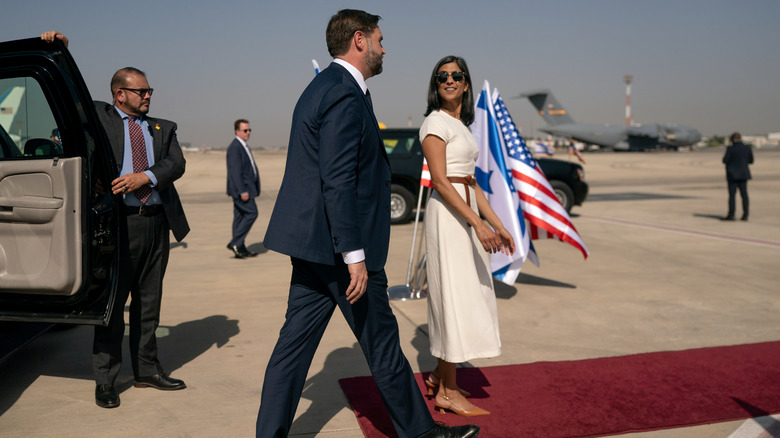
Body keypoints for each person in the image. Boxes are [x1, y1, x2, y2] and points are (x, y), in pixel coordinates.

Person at [257, 10, 480, 438]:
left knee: (291, 352)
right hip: (342, 250)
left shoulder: (325, 86)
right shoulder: (343, 92)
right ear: (359, 40)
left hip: (313, 248)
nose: (384, 48)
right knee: (382, 345)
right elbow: (337, 180)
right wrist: (354, 256)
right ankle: (421, 433)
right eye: (380, 39)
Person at [41, 31, 190, 409]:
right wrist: (58, 53)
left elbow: (176, 163)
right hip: (118, 225)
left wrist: (146, 177)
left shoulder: (162, 128)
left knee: (149, 304)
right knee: (112, 306)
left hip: (155, 222)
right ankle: (106, 381)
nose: (148, 96)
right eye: (141, 91)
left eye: (149, 90)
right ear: (120, 94)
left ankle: (146, 371)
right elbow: (69, 100)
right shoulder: (101, 119)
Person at [419, 55, 516, 417]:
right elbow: (443, 182)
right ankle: (448, 391)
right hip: (448, 217)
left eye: (456, 75)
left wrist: (498, 224)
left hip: (465, 210)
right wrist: (477, 223)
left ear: (465, 83)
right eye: (442, 76)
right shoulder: (434, 122)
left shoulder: (462, 125)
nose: (449, 80)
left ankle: (438, 378)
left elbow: (471, 182)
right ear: (436, 84)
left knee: (465, 296)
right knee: (453, 298)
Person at [226, 119, 260, 258]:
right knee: (252, 213)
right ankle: (235, 242)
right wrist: (242, 191)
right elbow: (236, 171)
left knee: (239, 217)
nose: (248, 133)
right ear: (237, 131)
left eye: (249, 130)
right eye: (245, 130)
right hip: (242, 190)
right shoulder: (235, 147)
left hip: (246, 188)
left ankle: (239, 247)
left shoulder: (243, 146)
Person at [722, 132, 753, 221]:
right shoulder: (747, 148)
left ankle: (731, 215)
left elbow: (725, 160)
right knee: (744, 195)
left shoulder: (731, 149)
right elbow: (751, 161)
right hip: (744, 174)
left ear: (732, 139)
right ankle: (745, 215)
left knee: (732, 196)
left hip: (732, 175)